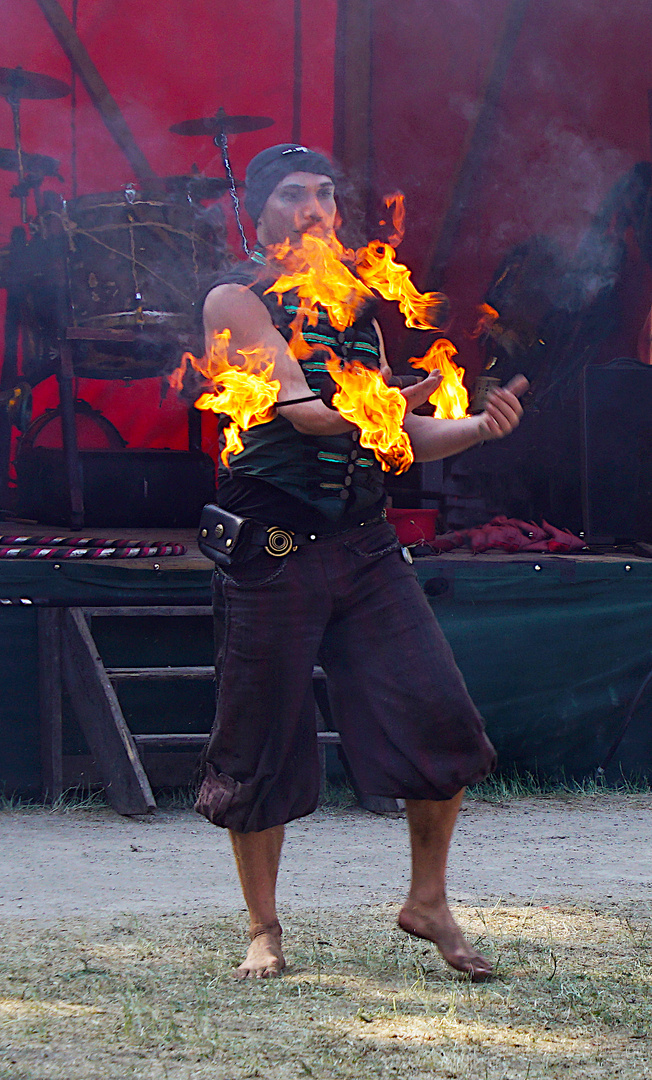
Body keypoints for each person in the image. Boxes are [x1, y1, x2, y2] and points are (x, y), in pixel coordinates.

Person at [194, 144, 528, 979]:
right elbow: (307, 416)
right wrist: (391, 401)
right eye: (294, 195)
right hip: (273, 555)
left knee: (441, 719)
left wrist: (476, 428)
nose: (315, 208)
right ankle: (264, 932)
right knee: (260, 744)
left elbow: (401, 438)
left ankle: (428, 900)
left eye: (326, 195)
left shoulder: (359, 314)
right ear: (260, 213)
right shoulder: (235, 302)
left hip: (367, 549)